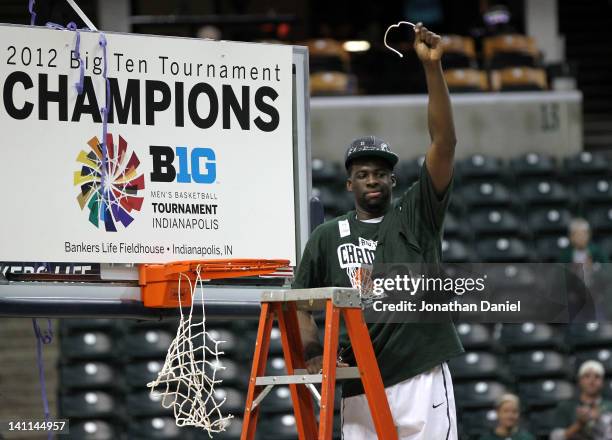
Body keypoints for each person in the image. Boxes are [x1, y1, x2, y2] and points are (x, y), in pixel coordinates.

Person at [292, 23, 463, 439]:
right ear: (349, 184)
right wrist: (313, 351)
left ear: (393, 181)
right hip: (359, 380)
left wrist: (432, 70)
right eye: (363, 174)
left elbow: (444, 143)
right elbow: (299, 304)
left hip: (420, 374)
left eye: (381, 173)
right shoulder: (328, 237)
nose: (372, 180)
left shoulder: (416, 215)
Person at [550, 360, 612, 440]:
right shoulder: (567, 406)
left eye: (597, 376)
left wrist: (601, 419)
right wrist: (580, 423)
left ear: (602, 382)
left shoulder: (610, 406)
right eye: (587, 376)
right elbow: (555, 437)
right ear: (580, 380)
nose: (592, 381)